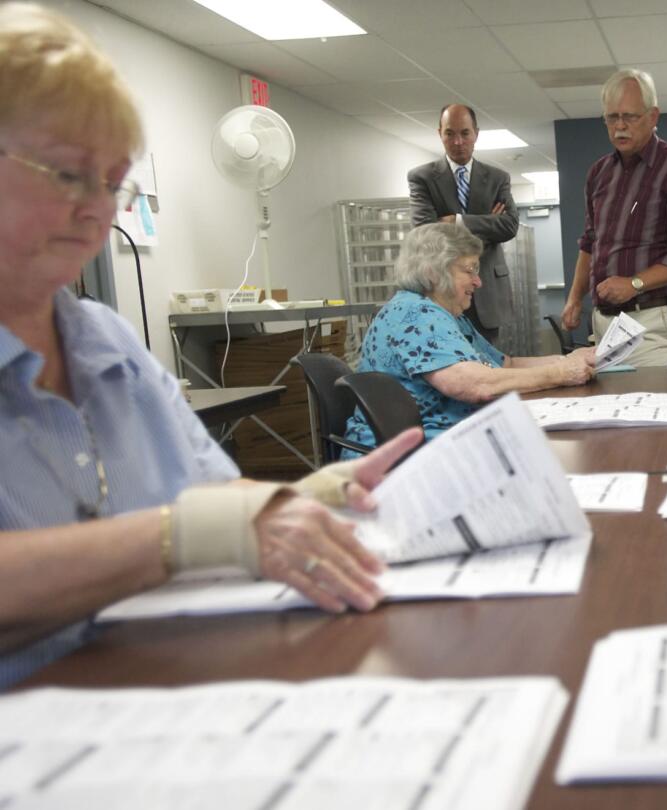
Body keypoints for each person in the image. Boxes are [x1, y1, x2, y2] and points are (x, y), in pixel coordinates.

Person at [0, 3, 425, 689]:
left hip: (172, 681)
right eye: (69, 174)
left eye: (113, 182)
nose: (98, 210)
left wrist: (311, 498)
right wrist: (183, 537)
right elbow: (191, 529)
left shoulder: (103, 340)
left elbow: (209, 496)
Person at [345, 223, 595, 444]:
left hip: (441, 440)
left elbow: (506, 364)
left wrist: (573, 359)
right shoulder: (416, 314)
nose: (479, 282)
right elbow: (476, 385)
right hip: (408, 453)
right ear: (433, 272)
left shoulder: (446, 314)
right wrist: (560, 373)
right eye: (470, 270)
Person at [560, 69, 667, 367]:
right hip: (604, 326)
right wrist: (575, 298)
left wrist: (634, 283)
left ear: (653, 117)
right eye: (612, 117)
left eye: (629, 117)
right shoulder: (598, 173)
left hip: (652, 326)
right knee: (613, 413)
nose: (619, 127)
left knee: (653, 411)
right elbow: (590, 242)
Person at [408, 104, 518, 345]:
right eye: (450, 134)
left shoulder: (498, 178)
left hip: (487, 293)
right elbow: (425, 232)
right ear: (440, 134)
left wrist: (456, 220)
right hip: (442, 292)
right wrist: (488, 222)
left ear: (476, 134)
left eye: (465, 133)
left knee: (491, 368)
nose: (458, 142)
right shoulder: (422, 178)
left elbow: (509, 226)